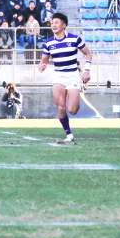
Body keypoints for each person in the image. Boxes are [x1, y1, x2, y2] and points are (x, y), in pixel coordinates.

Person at [38, 13, 92, 142]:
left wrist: (87, 71)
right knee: (61, 107)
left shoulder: (75, 39)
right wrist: (42, 65)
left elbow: (88, 54)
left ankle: (78, 91)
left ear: (64, 25)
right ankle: (69, 134)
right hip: (58, 76)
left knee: (72, 110)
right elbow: (44, 60)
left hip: (73, 75)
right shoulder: (48, 43)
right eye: (52, 23)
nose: (53, 25)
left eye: (56, 22)